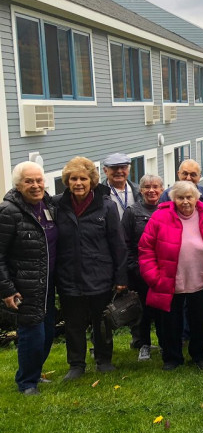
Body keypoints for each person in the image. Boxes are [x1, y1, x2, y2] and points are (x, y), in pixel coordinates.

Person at [139, 181, 203, 370]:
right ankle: (172, 358)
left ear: (196, 198)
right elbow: (145, 249)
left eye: (189, 197)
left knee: (199, 321)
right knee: (170, 322)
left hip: (200, 279)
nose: (185, 202)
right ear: (173, 199)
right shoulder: (160, 217)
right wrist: (154, 278)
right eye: (180, 198)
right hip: (169, 281)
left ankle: (199, 355)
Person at [55, 157, 127, 380]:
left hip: (100, 274)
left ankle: (103, 360)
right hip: (69, 275)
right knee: (74, 324)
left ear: (92, 181)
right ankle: (76, 364)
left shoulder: (106, 206)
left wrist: (120, 276)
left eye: (83, 179)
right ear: (67, 181)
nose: (78, 183)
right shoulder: (57, 205)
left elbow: (118, 244)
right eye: (73, 178)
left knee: (102, 321)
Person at [0, 162, 58, 395]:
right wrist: (6, 289)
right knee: (32, 335)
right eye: (29, 181)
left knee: (48, 332)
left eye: (39, 180)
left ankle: (34, 373)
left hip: (48, 282)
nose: (35, 186)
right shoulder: (8, 211)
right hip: (24, 285)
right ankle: (26, 382)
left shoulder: (49, 205)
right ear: (18, 185)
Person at [122, 174, 165, 360]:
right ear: (140, 190)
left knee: (164, 310)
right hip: (140, 272)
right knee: (143, 312)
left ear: (162, 190)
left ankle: (165, 343)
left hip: (165, 271)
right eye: (147, 187)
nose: (151, 190)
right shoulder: (132, 211)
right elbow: (125, 243)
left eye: (155, 186)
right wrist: (135, 268)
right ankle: (144, 344)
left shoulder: (167, 210)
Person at [102, 152, 142, 219]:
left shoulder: (139, 191)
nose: (119, 171)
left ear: (129, 170)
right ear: (105, 171)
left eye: (123, 167)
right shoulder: (99, 194)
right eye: (114, 168)